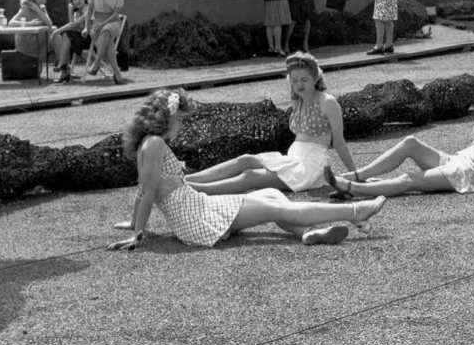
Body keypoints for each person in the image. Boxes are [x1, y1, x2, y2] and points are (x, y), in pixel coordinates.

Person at [108, 88, 387, 250]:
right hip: (194, 214)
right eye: (179, 120)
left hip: (196, 208)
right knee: (279, 208)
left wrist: (135, 224)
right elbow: (146, 191)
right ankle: (355, 212)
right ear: (163, 118)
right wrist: (138, 233)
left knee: (272, 195)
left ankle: (308, 232)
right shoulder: (155, 143)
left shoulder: (148, 143)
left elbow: (143, 187)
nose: (180, 126)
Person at [325, 61, 474, 198]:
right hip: (460, 160)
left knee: (409, 180)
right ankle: (357, 176)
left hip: (471, 173)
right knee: (410, 142)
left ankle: (351, 188)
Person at [183, 52, 358, 195]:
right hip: (292, 159)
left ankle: (193, 189)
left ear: (315, 78)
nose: (299, 85)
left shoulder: (327, 102)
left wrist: (357, 174)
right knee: (246, 160)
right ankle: (187, 180)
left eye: (304, 80)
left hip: (308, 168)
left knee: (250, 176)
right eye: (294, 80)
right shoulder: (298, 101)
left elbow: (339, 142)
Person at [9, 0, 73, 83]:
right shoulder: (25, 8)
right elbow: (11, 23)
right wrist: (29, 24)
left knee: (54, 30)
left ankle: (63, 67)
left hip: (38, 42)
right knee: (54, 30)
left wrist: (37, 10)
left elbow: (49, 23)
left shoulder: (42, 8)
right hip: (26, 44)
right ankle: (63, 67)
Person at [83, 0, 130, 85]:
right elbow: (90, 9)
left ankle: (96, 63)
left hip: (112, 21)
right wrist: (86, 27)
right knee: (107, 40)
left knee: (107, 30)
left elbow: (115, 14)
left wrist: (102, 24)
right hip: (96, 22)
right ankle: (117, 75)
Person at [51, 0, 91, 81]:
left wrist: (56, 31)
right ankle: (63, 69)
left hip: (91, 40)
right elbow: (72, 24)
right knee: (67, 36)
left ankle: (62, 66)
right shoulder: (77, 12)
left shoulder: (88, 9)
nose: (77, 1)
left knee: (66, 35)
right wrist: (70, 9)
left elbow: (74, 25)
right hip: (81, 40)